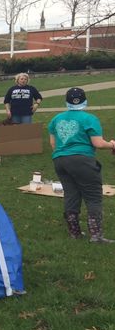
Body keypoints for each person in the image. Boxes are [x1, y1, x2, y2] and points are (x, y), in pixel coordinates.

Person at [48, 87, 115, 243]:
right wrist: (112, 145)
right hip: (82, 160)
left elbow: (53, 144)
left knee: (71, 194)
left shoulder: (56, 119)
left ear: (66, 101)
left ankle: (74, 233)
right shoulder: (89, 119)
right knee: (93, 197)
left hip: (60, 160)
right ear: (85, 101)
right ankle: (96, 236)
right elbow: (98, 143)